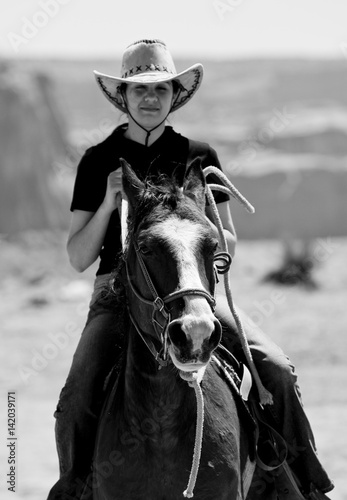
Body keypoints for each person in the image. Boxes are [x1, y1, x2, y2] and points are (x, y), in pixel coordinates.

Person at [47, 39, 333, 500]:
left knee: (276, 368)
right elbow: (78, 256)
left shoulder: (199, 157)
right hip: (116, 297)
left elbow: (229, 246)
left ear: (174, 94)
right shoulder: (97, 160)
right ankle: (74, 485)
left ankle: (300, 480)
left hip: (191, 289)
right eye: (138, 90)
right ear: (122, 96)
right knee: (77, 392)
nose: (149, 97)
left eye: (160, 88)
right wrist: (107, 201)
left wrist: (199, 229)